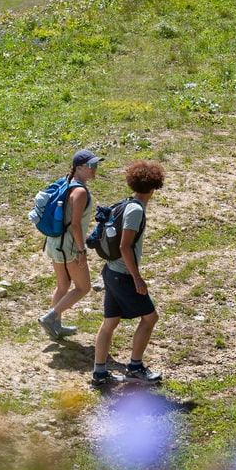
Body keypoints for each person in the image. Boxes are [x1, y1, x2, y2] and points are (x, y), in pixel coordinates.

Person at [93, 160, 165, 386]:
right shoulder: (135, 211)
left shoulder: (127, 204)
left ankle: (100, 373)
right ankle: (135, 367)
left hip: (110, 272)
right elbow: (125, 246)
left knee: (110, 322)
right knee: (150, 317)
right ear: (154, 186)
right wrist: (136, 277)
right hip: (123, 276)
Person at [38, 150, 102, 341]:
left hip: (54, 242)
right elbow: (75, 224)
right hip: (69, 247)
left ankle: (55, 326)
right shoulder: (80, 191)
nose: (94, 169)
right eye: (91, 166)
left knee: (63, 284)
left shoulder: (66, 182)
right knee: (83, 287)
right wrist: (82, 250)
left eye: (96, 165)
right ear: (79, 168)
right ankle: (50, 318)